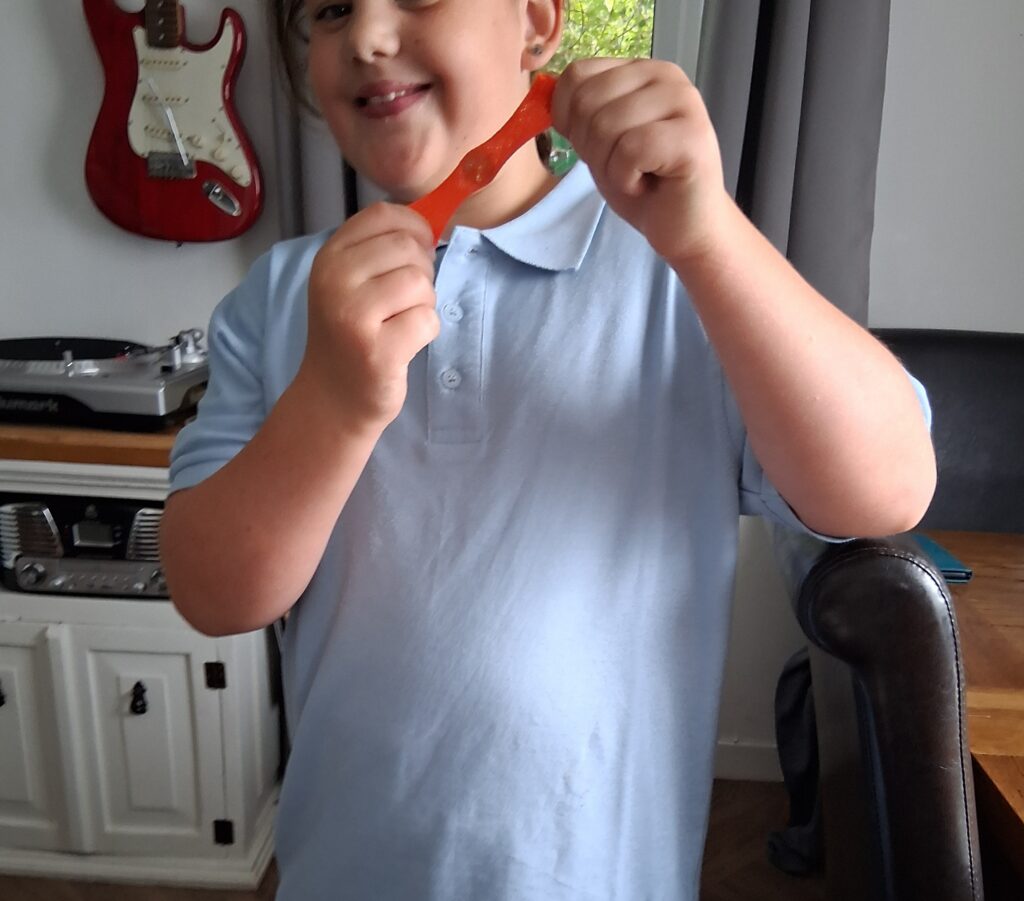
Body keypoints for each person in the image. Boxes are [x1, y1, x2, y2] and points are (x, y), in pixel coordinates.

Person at [159, 1, 936, 898]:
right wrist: (331, 402)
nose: (366, 36)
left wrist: (709, 235)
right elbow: (213, 593)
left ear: (535, 20)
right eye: (332, 10)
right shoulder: (279, 295)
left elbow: (887, 489)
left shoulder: (682, 274)